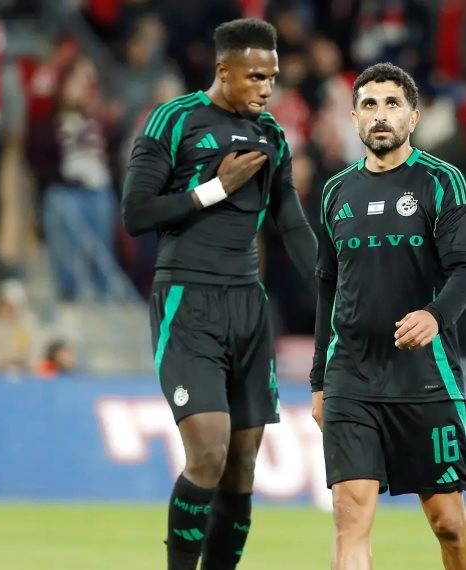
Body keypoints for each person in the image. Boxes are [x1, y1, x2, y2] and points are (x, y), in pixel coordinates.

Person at [122, 18, 316, 570]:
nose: (266, 88)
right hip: (187, 300)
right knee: (208, 449)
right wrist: (214, 189)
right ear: (223, 70)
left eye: (272, 77)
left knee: (242, 466)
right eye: (255, 76)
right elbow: (136, 214)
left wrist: (335, 287)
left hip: (248, 306)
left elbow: (291, 223)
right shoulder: (174, 119)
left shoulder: (272, 135)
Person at [310, 62, 466, 570]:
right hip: (351, 378)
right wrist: (319, 381)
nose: (380, 114)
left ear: (413, 117)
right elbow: (327, 286)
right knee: (350, 517)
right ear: (354, 117)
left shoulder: (442, 181)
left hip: (426, 378)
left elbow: (464, 268)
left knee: (450, 525)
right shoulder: (336, 191)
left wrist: (436, 316)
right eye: (369, 105)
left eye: (392, 104)